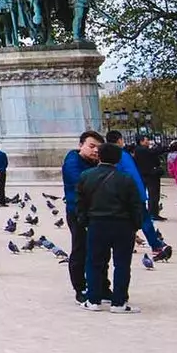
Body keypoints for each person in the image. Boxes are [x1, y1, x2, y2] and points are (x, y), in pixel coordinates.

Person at [78, 142, 144, 312]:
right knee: (121, 264)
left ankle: (93, 300)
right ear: (119, 158)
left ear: (99, 156)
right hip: (122, 225)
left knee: (94, 262)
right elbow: (136, 205)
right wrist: (135, 225)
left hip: (97, 224)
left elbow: (81, 204)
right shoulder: (126, 179)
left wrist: (84, 223)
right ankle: (119, 302)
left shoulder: (86, 176)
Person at [105, 130, 171, 259]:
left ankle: (126, 243)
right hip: (133, 193)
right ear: (119, 140)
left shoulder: (117, 155)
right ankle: (155, 245)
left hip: (131, 192)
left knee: (131, 221)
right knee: (145, 220)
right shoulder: (120, 155)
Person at [63, 130, 105, 305]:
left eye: (99, 148)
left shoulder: (95, 164)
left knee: (99, 251)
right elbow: (82, 182)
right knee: (80, 249)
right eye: (92, 146)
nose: (95, 151)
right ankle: (80, 288)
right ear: (81, 145)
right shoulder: (72, 162)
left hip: (96, 212)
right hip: (78, 212)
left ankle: (101, 286)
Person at [128, 134, 168, 221]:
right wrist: (160, 146)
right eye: (146, 140)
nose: (148, 142)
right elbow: (155, 152)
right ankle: (153, 213)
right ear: (141, 141)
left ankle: (152, 212)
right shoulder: (142, 150)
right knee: (153, 195)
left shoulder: (137, 150)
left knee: (151, 194)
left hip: (144, 174)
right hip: (151, 174)